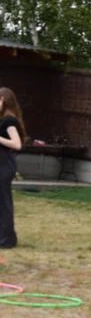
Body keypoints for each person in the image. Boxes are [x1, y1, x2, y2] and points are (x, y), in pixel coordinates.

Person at [0, 87, 26, 249]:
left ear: (3, 99)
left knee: (4, 202)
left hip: (4, 166)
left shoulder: (9, 121)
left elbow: (17, 144)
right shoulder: (3, 120)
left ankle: (8, 239)